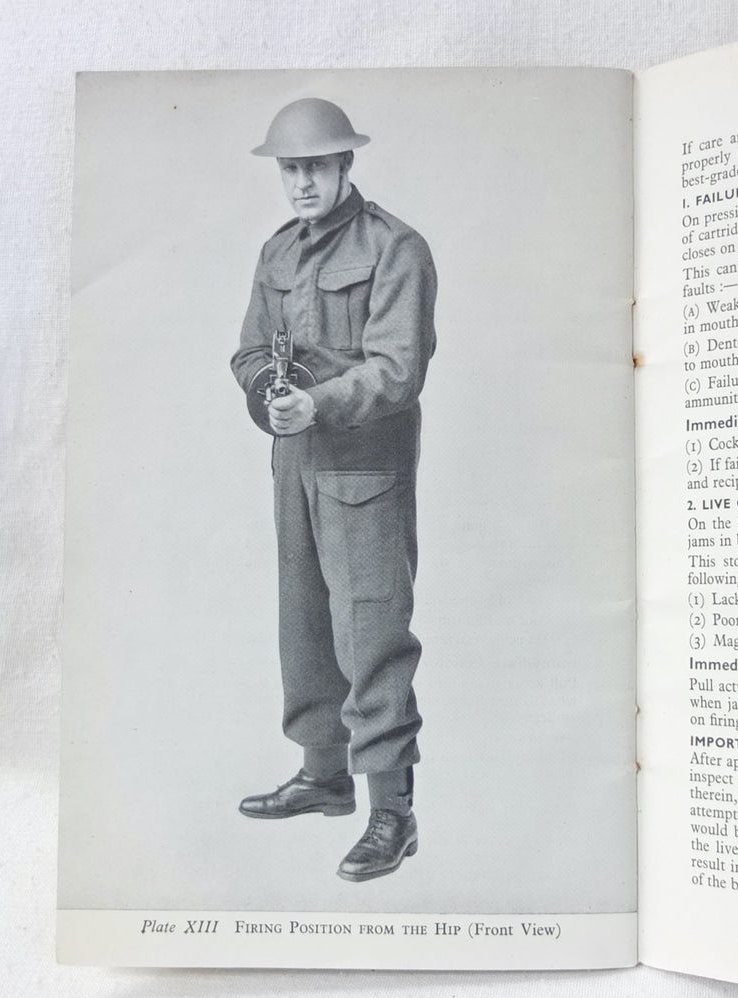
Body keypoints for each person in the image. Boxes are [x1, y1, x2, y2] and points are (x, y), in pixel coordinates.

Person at [230, 98, 437, 882]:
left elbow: (398, 369)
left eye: (316, 166)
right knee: (305, 623)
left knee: (370, 631)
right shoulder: (278, 250)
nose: (303, 183)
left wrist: (318, 403)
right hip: (295, 460)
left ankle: (394, 812)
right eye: (291, 169)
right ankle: (324, 776)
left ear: (346, 163)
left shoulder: (395, 247)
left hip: (365, 468)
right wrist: (270, 394)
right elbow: (249, 350)